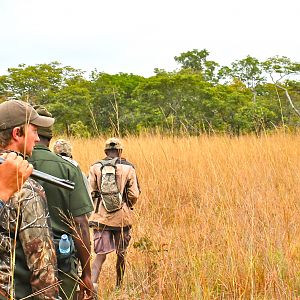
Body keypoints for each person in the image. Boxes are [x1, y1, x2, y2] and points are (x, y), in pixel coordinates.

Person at [29, 106, 94, 300]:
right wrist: (87, 273)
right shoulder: (67, 169)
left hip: (18, 263)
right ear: (49, 135)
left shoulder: (8, 164)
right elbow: (80, 224)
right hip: (62, 260)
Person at [0, 99, 59, 299]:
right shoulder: (27, 188)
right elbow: (42, 265)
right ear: (17, 133)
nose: (36, 138)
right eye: (33, 130)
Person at [88, 137, 140, 291]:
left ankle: (91, 289)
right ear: (120, 151)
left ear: (105, 151)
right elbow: (134, 194)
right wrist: (127, 204)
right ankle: (119, 286)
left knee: (100, 256)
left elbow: (89, 192)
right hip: (121, 219)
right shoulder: (128, 168)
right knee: (121, 254)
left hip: (100, 219)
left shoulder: (95, 167)